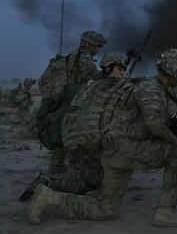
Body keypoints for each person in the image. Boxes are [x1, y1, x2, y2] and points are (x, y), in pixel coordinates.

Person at [28, 48, 177, 227]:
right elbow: (153, 124)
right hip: (127, 149)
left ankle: (50, 198)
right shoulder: (151, 88)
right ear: (173, 72)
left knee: (107, 208)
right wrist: (175, 140)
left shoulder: (141, 85)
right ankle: (166, 212)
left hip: (114, 150)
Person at [20, 53, 128, 199]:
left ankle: (47, 182)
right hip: (86, 143)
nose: (123, 72)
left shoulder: (92, 84)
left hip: (79, 140)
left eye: (124, 68)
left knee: (91, 180)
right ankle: (45, 184)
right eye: (120, 68)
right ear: (108, 68)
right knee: (83, 184)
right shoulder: (105, 87)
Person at [36, 30, 106, 172]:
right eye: (97, 45)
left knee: (64, 137)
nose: (98, 48)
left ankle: (57, 169)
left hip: (68, 100)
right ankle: (62, 172)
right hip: (74, 102)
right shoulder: (85, 59)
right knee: (70, 136)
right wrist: (107, 73)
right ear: (89, 44)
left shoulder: (74, 55)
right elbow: (89, 79)